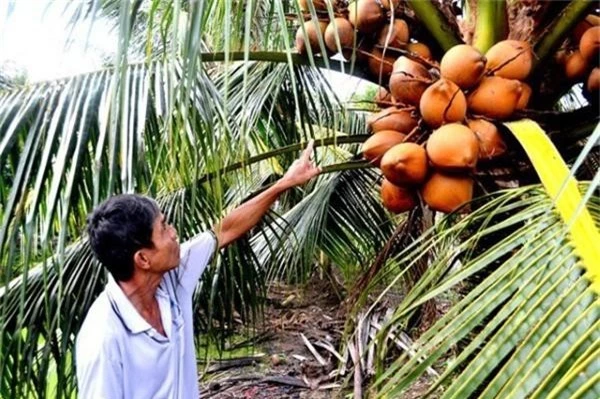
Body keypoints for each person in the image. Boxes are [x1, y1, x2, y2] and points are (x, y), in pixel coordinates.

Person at [75, 141, 320, 398]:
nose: (174, 233)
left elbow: (224, 230)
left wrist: (286, 182)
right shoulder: (103, 339)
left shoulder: (172, 278)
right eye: (164, 227)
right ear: (143, 259)